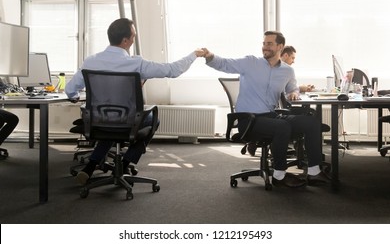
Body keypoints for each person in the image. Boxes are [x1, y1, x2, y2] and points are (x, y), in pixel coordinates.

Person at [66, 18, 205, 185]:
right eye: (133, 36)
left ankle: (90, 166)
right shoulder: (136, 64)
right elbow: (172, 70)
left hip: (98, 120)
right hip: (127, 121)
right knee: (152, 119)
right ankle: (125, 164)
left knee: (109, 121)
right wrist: (194, 55)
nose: (134, 39)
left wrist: (75, 97)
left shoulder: (90, 61)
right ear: (125, 40)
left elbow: (70, 90)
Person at [200, 30, 330, 188]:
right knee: (282, 126)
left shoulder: (287, 70)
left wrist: (294, 94)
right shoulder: (250, 62)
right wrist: (209, 56)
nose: (265, 47)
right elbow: (225, 64)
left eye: (269, 44)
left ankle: (314, 172)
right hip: (248, 120)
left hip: (271, 116)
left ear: (280, 46)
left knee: (311, 123)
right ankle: (279, 176)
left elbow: (292, 89)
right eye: (264, 43)